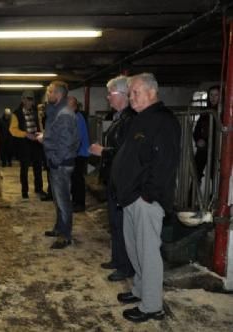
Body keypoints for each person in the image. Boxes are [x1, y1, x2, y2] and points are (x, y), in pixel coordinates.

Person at [111, 73, 180, 322]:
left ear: (151, 92)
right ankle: (140, 290)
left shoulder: (164, 121)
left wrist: (147, 195)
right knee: (135, 249)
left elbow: (165, 164)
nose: (131, 98)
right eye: (130, 94)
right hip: (130, 198)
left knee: (148, 252)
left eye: (135, 93)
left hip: (145, 201)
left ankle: (152, 306)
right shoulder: (141, 119)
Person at [89, 75, 136, 282]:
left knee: (123, 223)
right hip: (114, 178)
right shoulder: (120, 117)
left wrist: (104, 152)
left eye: (110, 93)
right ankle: (117, 259)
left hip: (123, 179)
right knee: (115, 223)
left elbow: (127, 153)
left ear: (123, 95)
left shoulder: (130, 119)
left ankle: (126, 266)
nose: (107, 98)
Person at [37, 81, 79, 249]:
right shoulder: (57, 112)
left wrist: (54, 159)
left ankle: (65, 235)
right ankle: (59, 228)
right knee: (58, 199)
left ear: (59, 94)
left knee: (63, 200)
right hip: (57, 161)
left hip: (61, 163)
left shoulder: (65, 114)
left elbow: (67, 142)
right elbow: (57, 136)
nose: (49, 94)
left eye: (51, 92)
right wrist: (45, 137)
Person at [9, 90, 46, 199]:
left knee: (38, 167)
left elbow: (39, 125)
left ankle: (38, 189)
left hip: (36, 143)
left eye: (31, 100)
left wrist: (42, 135)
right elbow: (12, 130)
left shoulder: (36, 112)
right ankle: (24, 191)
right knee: (24, 168)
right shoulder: (16, 114)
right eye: (28, 99)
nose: (30, 102)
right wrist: (25, 134)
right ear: (23, 100)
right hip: (24, 144)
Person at [193, 85, 219, 185]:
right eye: (211, 95)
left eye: (216, 95)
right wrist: (198, 139)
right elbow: (197, 130)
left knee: (215, 175)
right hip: (204, 147)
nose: (213, 98)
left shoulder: (224, 113)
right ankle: (192, 196)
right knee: (196, 172)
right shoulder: (205, 112)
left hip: (217, 148)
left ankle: (214, 197)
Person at [68, 96, 90, 212]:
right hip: (76, 153)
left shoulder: (78, 117)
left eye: (69, 105)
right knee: (74, 178)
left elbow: (79, 138)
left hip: (79, 153)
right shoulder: (74, 116)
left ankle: (80, 204)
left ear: (74, 105)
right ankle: (76, 201)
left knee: (78, 178)